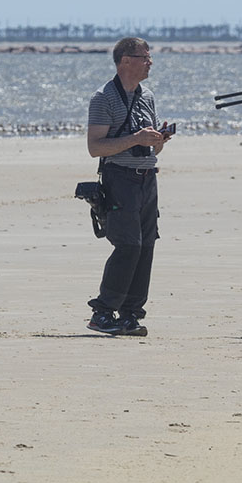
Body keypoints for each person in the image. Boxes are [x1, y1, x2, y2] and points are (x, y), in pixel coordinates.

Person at [85, 37, 173, 337]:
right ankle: (103, 312)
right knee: (128, 245)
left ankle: (131, 314)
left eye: (149, 57)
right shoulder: (103, 98)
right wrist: (136, 138)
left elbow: (152, 149)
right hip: (119, 178)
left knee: (146, 246)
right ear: (125, 60)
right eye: (144, 57)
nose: (150, 62)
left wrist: (157, 141)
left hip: (148, 178)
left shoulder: (147, 96)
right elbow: (95, 147)